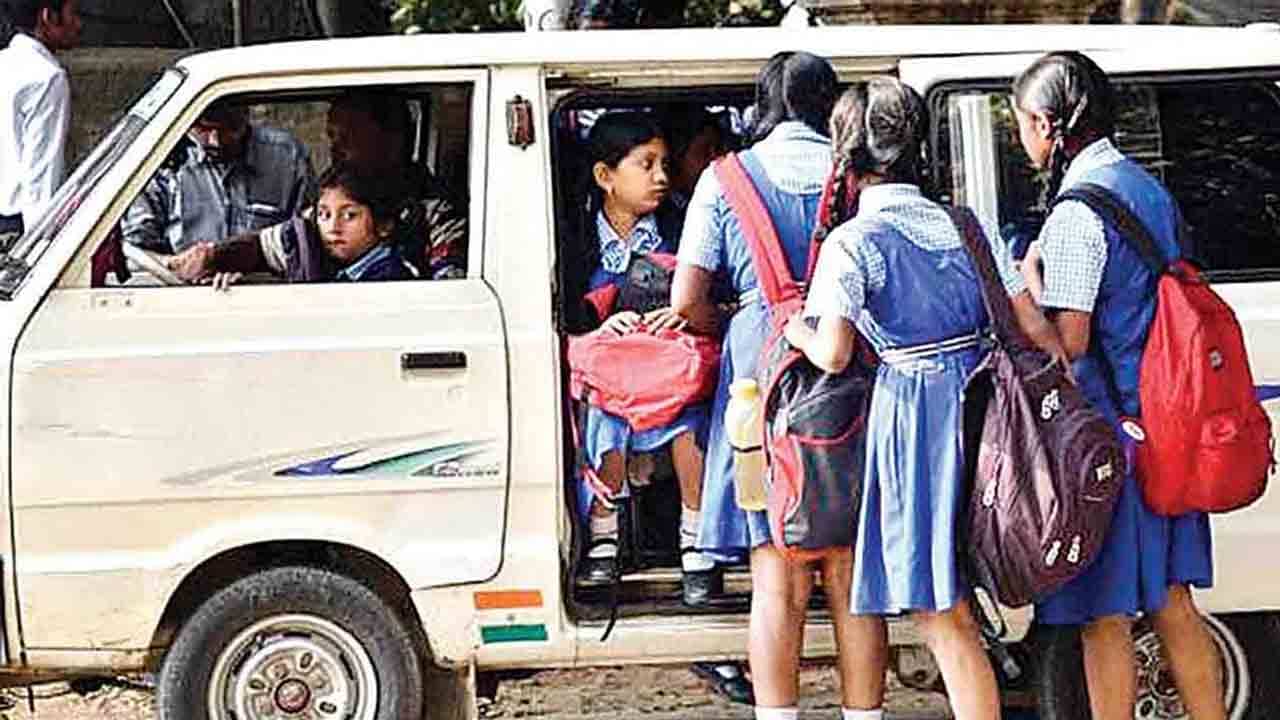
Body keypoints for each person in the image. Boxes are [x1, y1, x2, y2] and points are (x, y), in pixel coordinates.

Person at [785, 77, 1069, 720]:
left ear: (848, 156)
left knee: (940, 608)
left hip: (915, 418)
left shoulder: (852, 242)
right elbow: (1032, 327)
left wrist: (792, 329)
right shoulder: (966, 224)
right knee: (956, 601)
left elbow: (832, 352)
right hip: (988, 414)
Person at [1011, 51, 1224, 720]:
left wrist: (1028, 280)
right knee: (1172, 600)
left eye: (1021, 121)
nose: (1022, 135)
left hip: (1113, 436)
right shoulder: (1145, 188)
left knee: (1104, 615)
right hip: (1170, 421)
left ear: (1046, 123)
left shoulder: (1078, 212)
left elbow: (1068, 341)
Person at [671, 51, 872, 720]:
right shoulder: (855, 177)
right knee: (848, 571)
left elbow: (686, 298)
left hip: (759, 382)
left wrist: (738, 317)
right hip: (850, 371)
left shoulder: (723, 180)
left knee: (776, 572)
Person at [567, 111, 720, 610]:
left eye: (664, 164)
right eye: (646, 164)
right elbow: (566, 311)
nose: (661, 176)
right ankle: (604, 534)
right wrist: (599, 326)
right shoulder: (574, 237)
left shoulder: (683, 226)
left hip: (674, 371)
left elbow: (710, 292)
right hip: (609, 371)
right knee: (603, 417)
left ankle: (695, 541)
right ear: (605, 177)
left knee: (690, 421)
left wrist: (683, 315)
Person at [121, 101, 316, 256]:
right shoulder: (163, 162)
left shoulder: (287, 157)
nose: (216, 141)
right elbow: (137, 244)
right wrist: (176, 265)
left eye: (228, 129)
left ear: (245, 119)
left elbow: (308, 238)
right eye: (204, 130)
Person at [173, 163, 416, 286]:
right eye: (324, 215)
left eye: (350, 216)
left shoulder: (391, 277)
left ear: (384, 225)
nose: (333, 227)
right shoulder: (328, 260)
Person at [0, 0, 82, 241]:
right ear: (47, 17)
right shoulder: (47, 77)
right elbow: (42, 174)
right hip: (18, 225)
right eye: (73, 14)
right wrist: (40, 246)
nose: (78, 24)